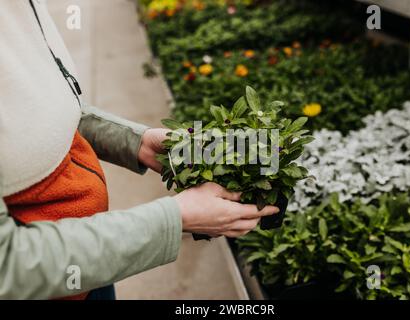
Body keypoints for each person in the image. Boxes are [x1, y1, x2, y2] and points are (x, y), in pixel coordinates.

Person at [0, 0, 279, 299]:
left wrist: (137, 142)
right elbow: (9, 267)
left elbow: (36, 112)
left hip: (89, 264)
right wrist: (175, 219)